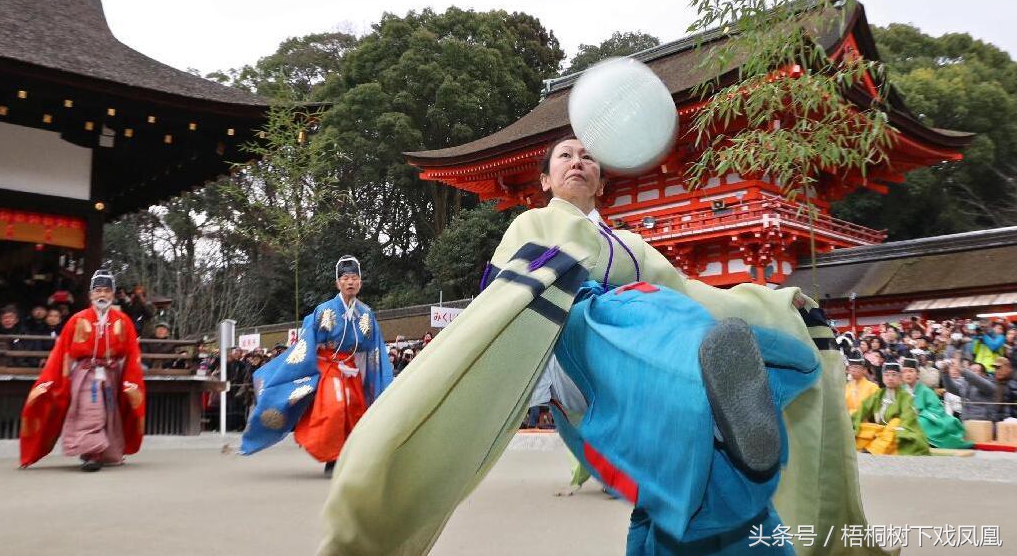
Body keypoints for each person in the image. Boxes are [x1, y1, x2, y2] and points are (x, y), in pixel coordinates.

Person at [320, 138, 885, 556]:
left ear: (600, 180)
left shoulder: (634, 242)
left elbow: (691, 293)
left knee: (671, 479)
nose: (577, 161)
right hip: (579, 348)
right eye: (564, 155)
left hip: (661, 340)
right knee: (639, 321)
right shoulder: (532, 224)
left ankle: (721, 399)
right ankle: (712, 394)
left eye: (588, 157)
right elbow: (506, 300)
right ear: (543, 181)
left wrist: (774, 301)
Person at [242, 255, 394, 477]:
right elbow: (307, 341)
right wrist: (307, 370)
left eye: (354, 278)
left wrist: (373, 379)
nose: (350, 282)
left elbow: (374, 349)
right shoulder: (324, 310)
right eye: (345, 278)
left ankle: (347, 457)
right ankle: (332, 457)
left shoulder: (366, 314)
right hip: (328, 365)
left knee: (355, 409)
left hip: (350, 368)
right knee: (335, 407)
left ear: (360, 283)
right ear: (337, 283)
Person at [19, 270, 146, 471]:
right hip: (85, 372)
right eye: (97, 291)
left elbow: (131, 352)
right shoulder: (77, 319)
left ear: (112, 295)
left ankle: (103, 452)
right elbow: (62, 351)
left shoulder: (123, 321)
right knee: (90, 409)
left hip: (111, 372)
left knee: (109, 413)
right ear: (90, 295)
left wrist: (129, 380)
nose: (102, 295)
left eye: (106, 291)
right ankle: (92, 454)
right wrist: (57, 378)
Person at [852, 362, 930, 456]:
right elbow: (862, 410)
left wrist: (898, 430)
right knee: (862, 427)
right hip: (881, 431)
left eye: (894, 375)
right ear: (883, 378)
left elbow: (908, 417)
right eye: (887, 375)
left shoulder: (905, 396)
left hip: (897, 434)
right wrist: (849, 423)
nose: (890, 378)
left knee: (896, 422)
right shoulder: (878, 394)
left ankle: (874, 449)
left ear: (900, 378)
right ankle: (865, 447)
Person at [900, 357, 971, 449]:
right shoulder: (900, 391)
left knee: (920, 423)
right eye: (905, 372)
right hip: (905, 419)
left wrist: (919, 414)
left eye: (911, 371)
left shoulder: (926, 391)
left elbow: (936, 410)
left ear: (917, 374)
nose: (908, 374)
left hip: (925, 419)